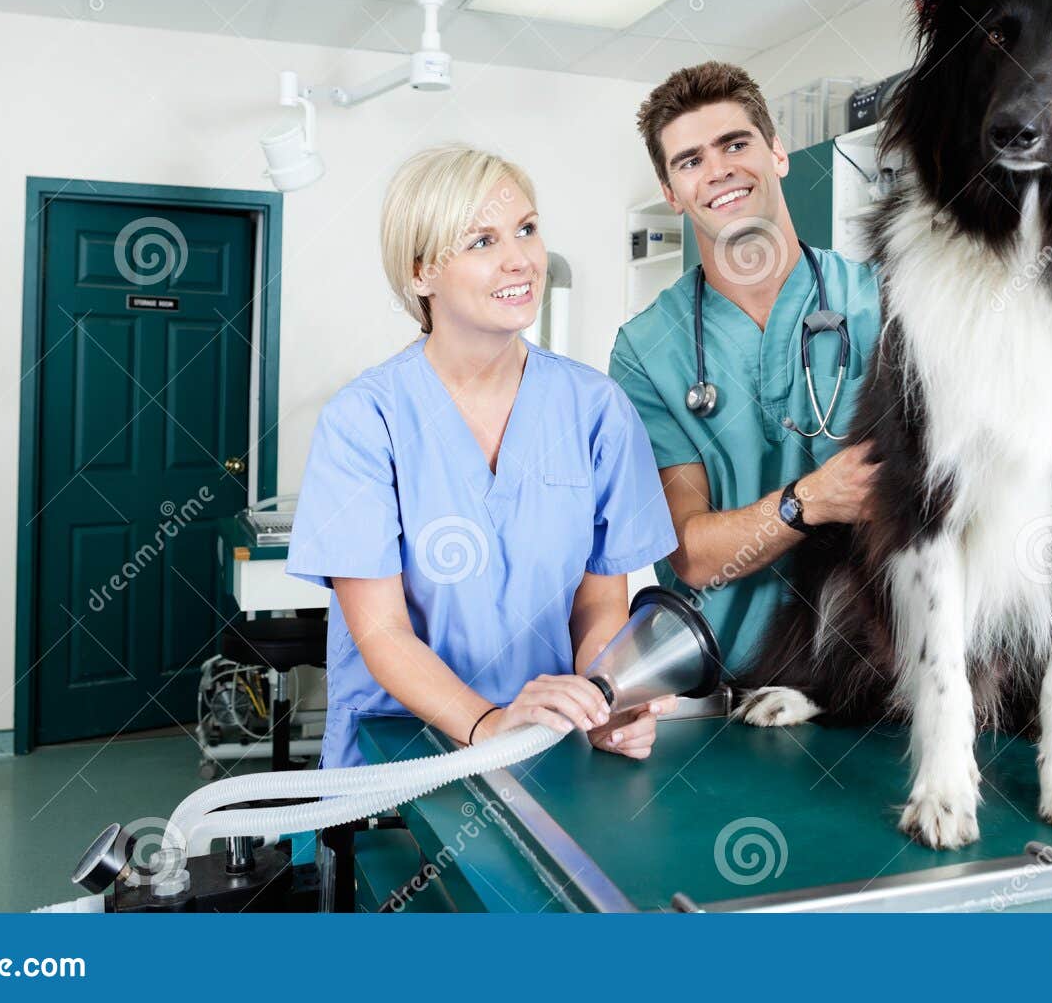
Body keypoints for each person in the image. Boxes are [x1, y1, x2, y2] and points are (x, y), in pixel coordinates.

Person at [287, 146, 679, 768]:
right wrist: (487, 725)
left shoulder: (596, 409)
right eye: (481, 241)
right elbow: (383, 631)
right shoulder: (365, 420)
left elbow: (598, 605)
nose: (519, 258)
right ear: (421, 274)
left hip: (547, 744)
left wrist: (610, 700)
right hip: (398, 760)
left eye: (526, 229)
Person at [609, 63, 884, 669]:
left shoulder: (884, 302)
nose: (718, 171)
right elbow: (691, 552)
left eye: (736, 144)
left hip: (880, 677)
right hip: (727, 689)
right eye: (689, 161)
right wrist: (811, 500)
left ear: (777, 153)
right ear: (672, 193)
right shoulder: (648, 349)